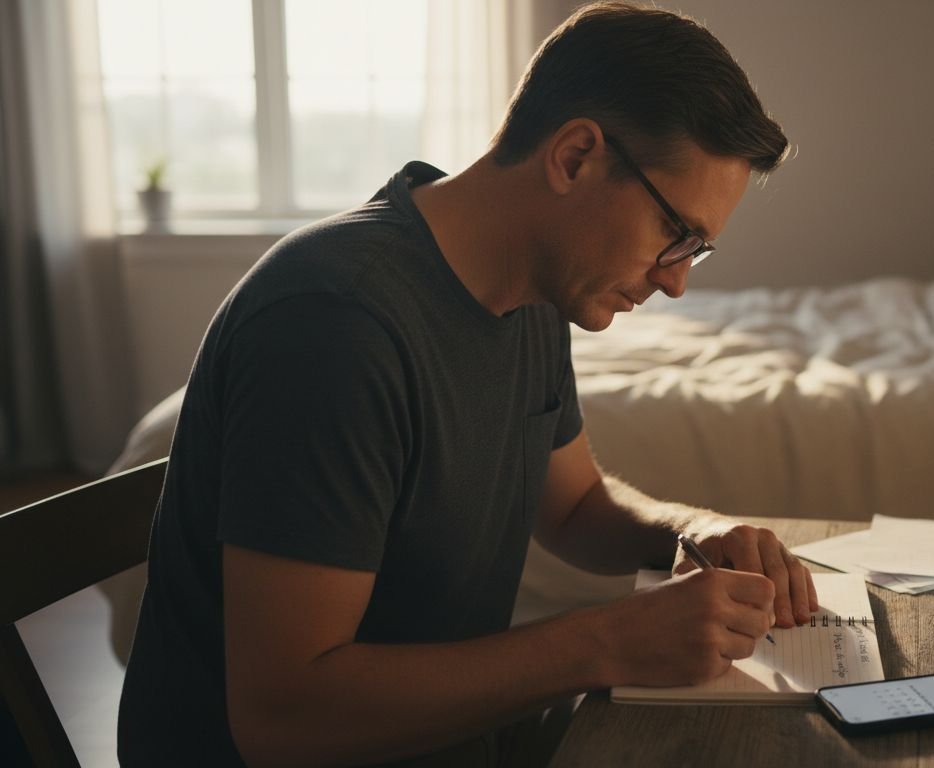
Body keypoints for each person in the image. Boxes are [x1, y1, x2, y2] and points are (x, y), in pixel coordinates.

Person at [117, 3, 812, 765]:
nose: (677, 282)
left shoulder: (535, 290)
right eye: (675, 235)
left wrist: (689, 530)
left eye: (697, 251)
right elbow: (283, 717)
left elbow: (576, 505)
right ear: (576, 155)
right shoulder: (335, 324)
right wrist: (607, 641)